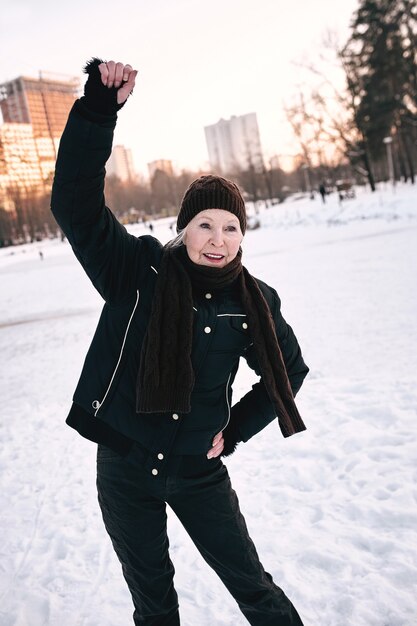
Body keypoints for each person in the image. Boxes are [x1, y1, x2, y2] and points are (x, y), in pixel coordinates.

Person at [51, 58, 309, 626]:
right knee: (154, 604)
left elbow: (287, 373)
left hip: (198, 469)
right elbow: (75, 206)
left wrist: (234, 430)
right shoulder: (136, 272)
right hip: (125, 462)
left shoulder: (255, 301)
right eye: (205, 226)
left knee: (253, 587)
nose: (218, 240)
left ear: (243, 234)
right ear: (183, 230)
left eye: (230, 227)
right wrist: (97, 111)